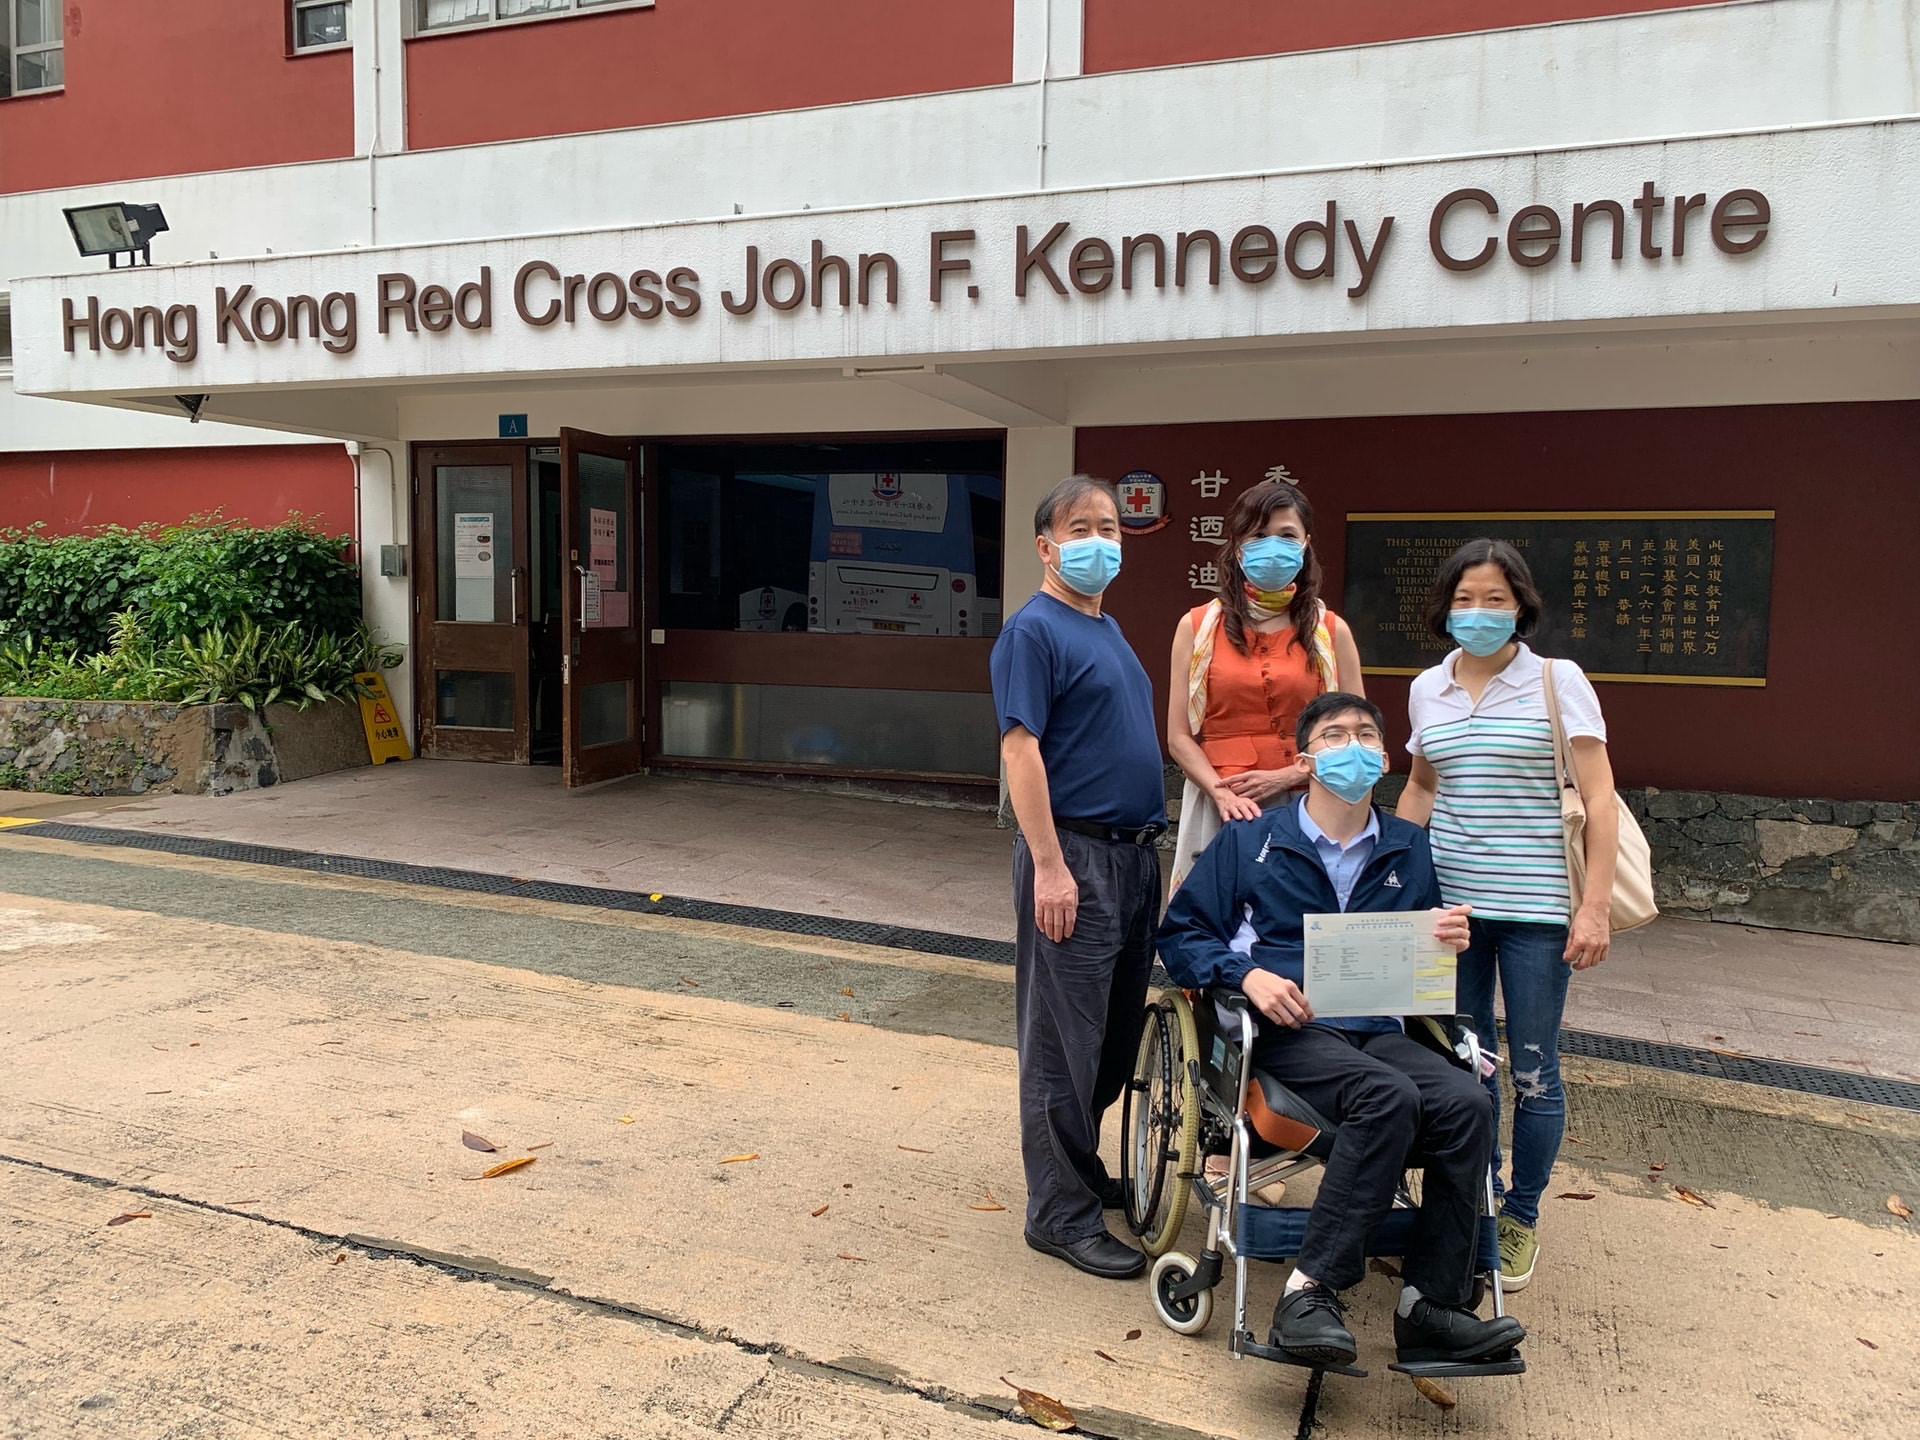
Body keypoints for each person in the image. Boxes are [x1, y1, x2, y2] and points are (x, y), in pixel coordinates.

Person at [1157, 691, 1525, 1369]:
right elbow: (1181, 935)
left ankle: (1430, 1305)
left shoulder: (1409, 847)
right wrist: (1247, 975)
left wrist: (1444, 940)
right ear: (1305, 760)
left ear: (1384, 760)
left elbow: (1416, 963)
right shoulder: (1251, 840)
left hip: (1379, 1029)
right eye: (1333, 735)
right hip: (1288, 1030)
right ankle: (1308, 1290)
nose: (1351, 747)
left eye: (1365, 735)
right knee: (1387, 1096)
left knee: (1467, 1101)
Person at [1393, 539, 1619, 1294]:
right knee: (1465, 1063)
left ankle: (1521, 1213)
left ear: (1521, 605)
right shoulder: (1428, 688)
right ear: (1445, 608)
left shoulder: (1557, 680)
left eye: (1495, 599)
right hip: (1450, 910)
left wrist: (1593, 908)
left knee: (1532, 1070)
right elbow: (1421, 789)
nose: (1479, 612)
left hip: (1539, 912)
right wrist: (1394, 880)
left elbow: (1599, 797)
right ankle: (1478, 1196)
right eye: (1465, 599)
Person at [990, 475, 1168, 1281]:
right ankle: (1058, 1215)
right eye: (1081, 527)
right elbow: (1019, 750)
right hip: (1077, 859)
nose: (1101, 539)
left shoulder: (1106, 626)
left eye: (1110, 526)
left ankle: (1080, 1172)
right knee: (1063, 1043)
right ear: (1046, 546)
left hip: (1131, 859)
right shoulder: (1033, 631)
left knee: (1111, 1036)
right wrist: (1051, 867)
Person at [1167, 478, 1364, 888]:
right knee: (1216, 912)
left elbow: (1356, 738)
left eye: (1286, 535)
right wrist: (1221, 793)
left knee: (1299, 914)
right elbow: (1179, 737)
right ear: (1237, 546)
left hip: (1309, 800)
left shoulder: (1332, 631)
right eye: (1258, 535)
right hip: (1219, 804)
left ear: (1305, 544)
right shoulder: (1196, 627)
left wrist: (1286, 776)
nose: (1272, 545)